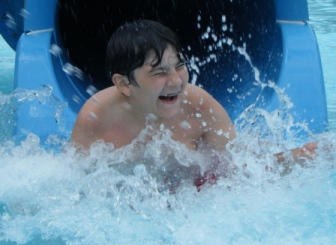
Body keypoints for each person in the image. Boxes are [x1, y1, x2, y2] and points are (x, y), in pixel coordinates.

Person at [71, 20, 317, 176]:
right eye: (159, 73)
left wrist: (305, 156)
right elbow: (74, 184)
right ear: (124, 84)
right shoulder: (96, 117)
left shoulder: (198, 104)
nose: (177, 81)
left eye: (179, 66)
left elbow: (243, 167)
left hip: (193, 193)